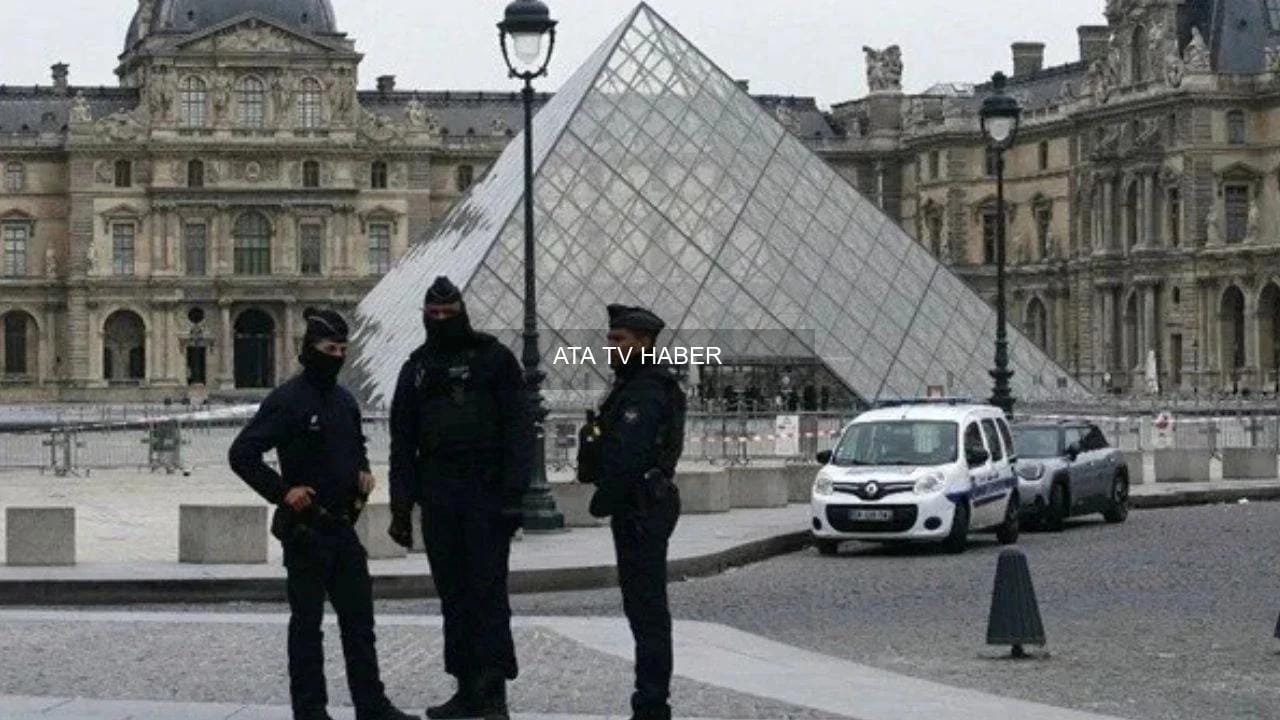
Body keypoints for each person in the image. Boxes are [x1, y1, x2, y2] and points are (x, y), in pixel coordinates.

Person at [228, 309, 413, 720]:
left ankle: (371, 704)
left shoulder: (346, 400)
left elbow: (357, 447)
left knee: (360, 625)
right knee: (307, 628)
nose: (339, 356)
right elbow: (242, 454)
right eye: (331, 349)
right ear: (310, 350)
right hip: (306, 530)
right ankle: (311, 710)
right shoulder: (287, 400)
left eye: (344, 349)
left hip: (343, 527)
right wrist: (282, 491)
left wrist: (363, 474)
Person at [387, 276, 530, 720]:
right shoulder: (416, 368)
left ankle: (492, 691)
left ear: (463, 313)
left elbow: (519, 431)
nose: (443, 321)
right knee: (453, 597)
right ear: (426, 317)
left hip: (486, 494)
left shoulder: (496, 359)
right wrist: (400, 508)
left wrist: (513, 495)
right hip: (439, 495)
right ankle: (466, 686)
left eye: (449, 314)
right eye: (435, 315)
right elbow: (401, 442)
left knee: (488, 593)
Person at [577, 305, 687, 720]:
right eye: (610, 338)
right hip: (642, 505)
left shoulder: (645, 389)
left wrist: (602, 499)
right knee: (643, 607)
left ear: (643, 341)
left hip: (641, 507)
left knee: (647, 609)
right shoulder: (638, 383)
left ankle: (652, 703)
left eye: (619, 339)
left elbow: (629, 454)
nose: (611, 346)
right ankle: (650, 699)